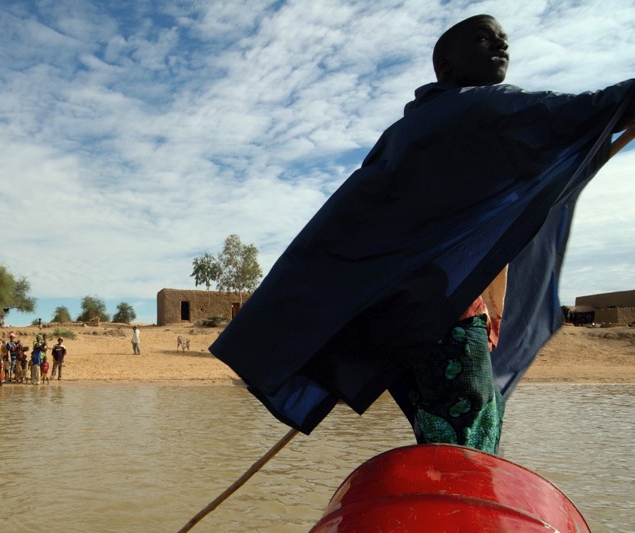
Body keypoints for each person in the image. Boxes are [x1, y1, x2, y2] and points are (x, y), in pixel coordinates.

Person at [209, 15, 635, 455]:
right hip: (442, 316)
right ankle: (462, 517)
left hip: (391, 319)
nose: (500, 45)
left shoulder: (408, 131)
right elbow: (574, 111)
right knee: (467, 442)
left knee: (438, 435)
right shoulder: (482, 107)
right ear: (446, 64)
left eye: (504, 39)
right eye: (483, 39)